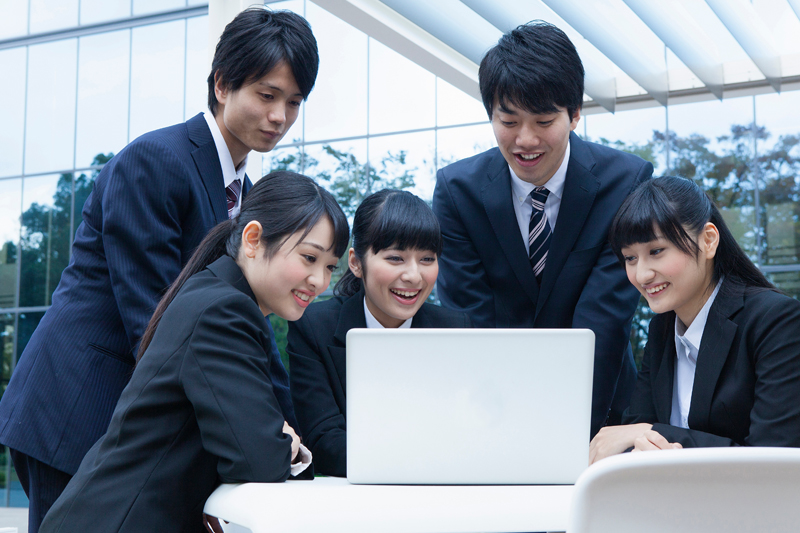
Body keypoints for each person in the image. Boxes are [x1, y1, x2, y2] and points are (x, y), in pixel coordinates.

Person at [0, 8, 318, 532]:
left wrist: (300, 433)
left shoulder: (250, 198)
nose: (280, 116)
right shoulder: (157, 160)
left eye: (293, 103)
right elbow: (153, 317)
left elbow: (247, 330)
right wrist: (253, 419)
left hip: (130, 424)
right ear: (222, 85)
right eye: (267, 95)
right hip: (76, 408)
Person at [38, 171, 349, 533]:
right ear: (253, 239)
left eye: (329, 267)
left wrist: (275, 436)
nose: (320, 281)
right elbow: (258, 459)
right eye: (309, 258)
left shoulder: (216, 297)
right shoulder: (225, 311)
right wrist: (287, 443)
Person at [432, 21, 653, 437]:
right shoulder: (456, 191)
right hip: (492, 411)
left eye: (544, 120)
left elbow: (602, 319)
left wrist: (568, 437)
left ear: (574, 115)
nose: (526, 140)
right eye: (509, 121)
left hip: (600, 412)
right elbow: (470, 319)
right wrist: (505, 424)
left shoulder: (625, 181)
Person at [589, 176, 800, 463]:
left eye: (656, 251)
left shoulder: (776, 321)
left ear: (709, 240)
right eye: (630, 258)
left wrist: (653, 432)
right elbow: (630, 439)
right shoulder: (662, 329)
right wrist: (641, 437)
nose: (642, 275)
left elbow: (773, 459)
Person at [288, 189, 471, 477]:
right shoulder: (314, 327)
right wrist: (418, 464)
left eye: (427, 259)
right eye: (396, 258)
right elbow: (324, 440)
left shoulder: (457, 331)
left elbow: (469, 434)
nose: (414, 276)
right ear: (356, 262)